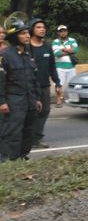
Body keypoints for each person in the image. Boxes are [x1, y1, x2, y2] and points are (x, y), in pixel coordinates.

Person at [0, 18, 43, 162]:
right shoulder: (5, 55)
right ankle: (8, 158)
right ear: (14, 37)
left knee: (29, 130)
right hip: (14, 101)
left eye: (27, 33)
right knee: (13, 131)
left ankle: (22, 155)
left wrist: (37, 98)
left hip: (29, 99)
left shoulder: (28, 55)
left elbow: (34, 78)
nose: (28, 36)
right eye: (23, 33)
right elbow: (1, 81)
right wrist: (2, 102)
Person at [29, 18, 61, 149]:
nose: (42, 29)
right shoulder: (27, 47)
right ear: (32, 29)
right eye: (38, 27)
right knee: (32, 112)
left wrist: (57, 82)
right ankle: (28, 138)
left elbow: (52, 66)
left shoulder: (48, 46)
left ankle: (37, 138)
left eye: (43, 27)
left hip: (44, 86)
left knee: (45, 111)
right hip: (30, 87)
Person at [52, 24, 79, 107]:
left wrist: (63, 49)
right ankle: (58, 100)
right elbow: (57, 53)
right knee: (58, 84)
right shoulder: (55, 42)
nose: (63, 33)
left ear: (67, 32)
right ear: (58, 33)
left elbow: (76, 49)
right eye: (61, 31)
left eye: (64, 31)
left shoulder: (72, 40)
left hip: (71, 66)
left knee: (73, 84)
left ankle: (73, 100)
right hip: (59, 67)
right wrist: (69, 50)